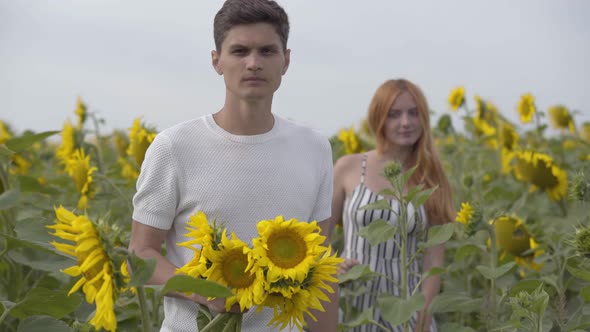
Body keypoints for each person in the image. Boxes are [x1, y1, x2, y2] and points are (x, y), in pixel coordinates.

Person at [127, 1, 337, 331]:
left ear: (286, 61)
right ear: (217, 61)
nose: (253, 63)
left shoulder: (314, 148)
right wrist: (204, 291)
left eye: (267, 51)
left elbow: (319, 264)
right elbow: (140, 253)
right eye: (240, 51)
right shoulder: (175, 147)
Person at [332, 79, 454, 332]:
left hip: (408, 309)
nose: (406, 123)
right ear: (378, 118)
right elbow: (317, 238)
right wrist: (330, 264)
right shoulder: (349, 167)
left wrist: (420, 324)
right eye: (394, 114)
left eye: (413, 113)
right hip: (354, 306)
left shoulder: (431, 178)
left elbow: (433, 266)